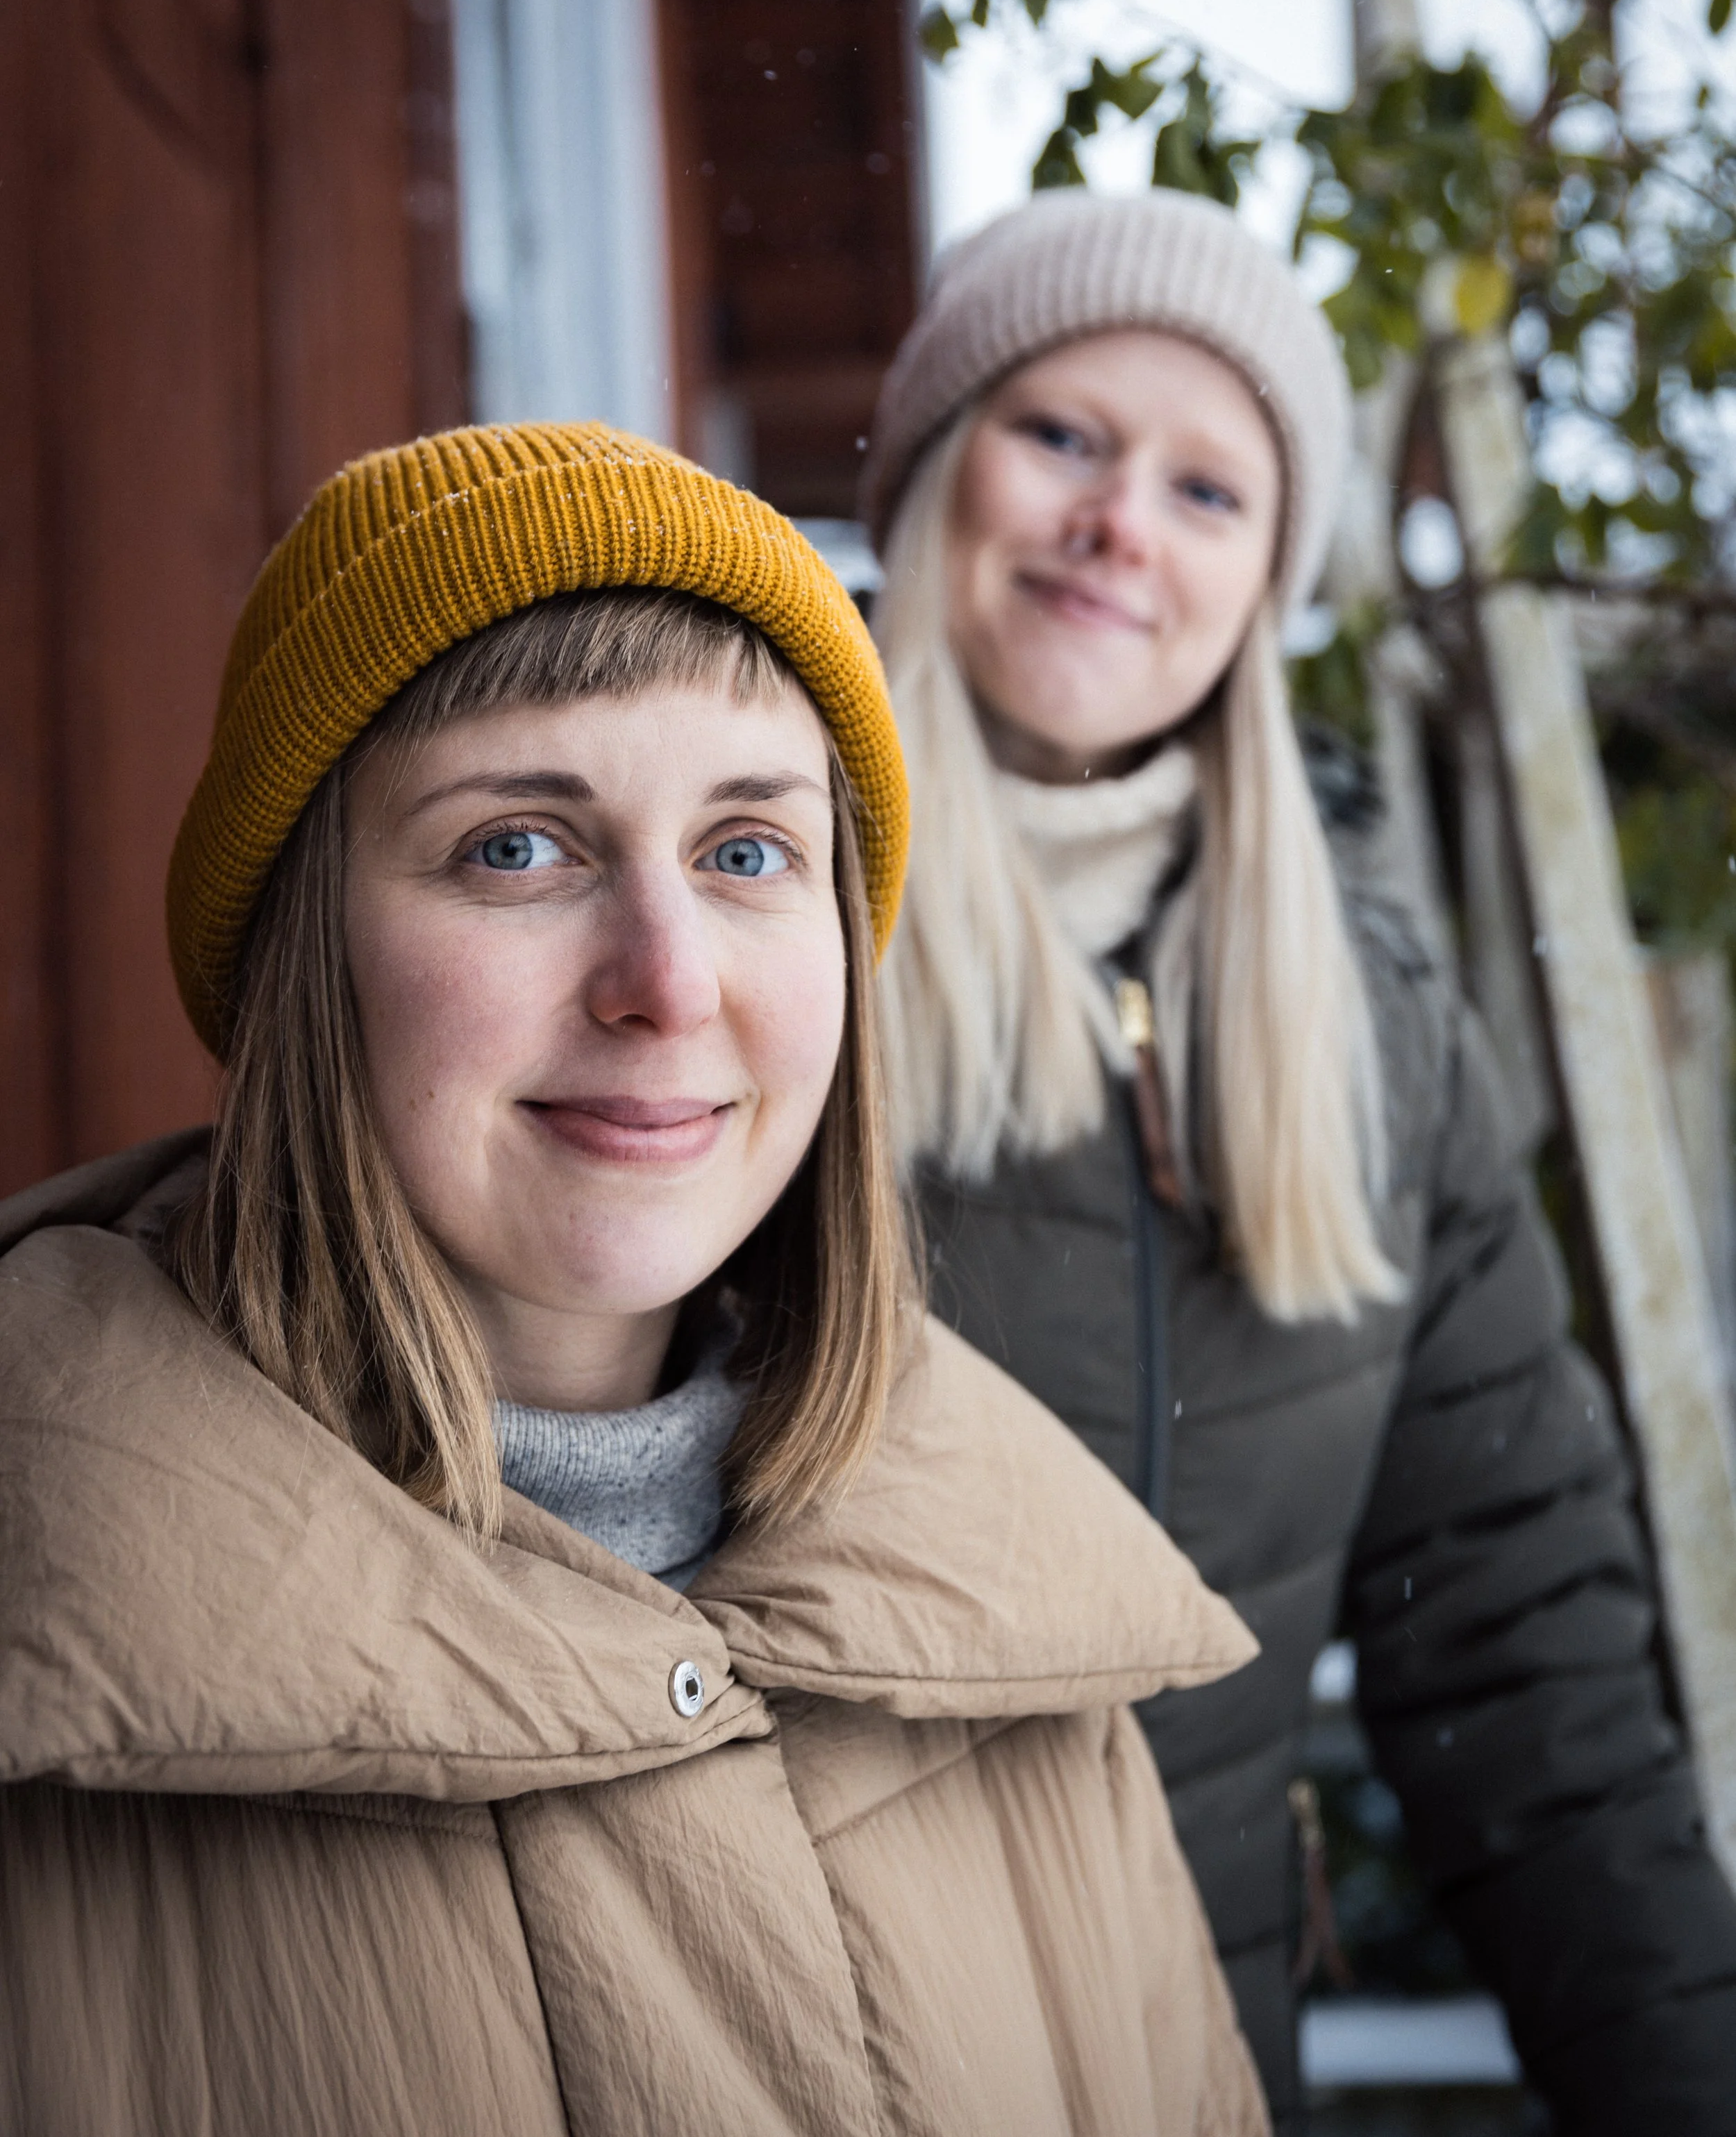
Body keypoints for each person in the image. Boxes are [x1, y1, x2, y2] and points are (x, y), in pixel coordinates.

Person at [0, 424, 1269, 2136]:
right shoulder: (44, 1649)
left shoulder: (1031, 1652)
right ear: (309, 946)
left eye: (748, 853)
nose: (665, 982)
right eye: (517, 846)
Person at [863, 190, 1736, 2136]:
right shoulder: (739, 938)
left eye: (1206, 490)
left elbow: (1519, 1659)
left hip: (1190, 2064)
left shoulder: (1370, 1026)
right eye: (1062, 436)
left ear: (1267, 580)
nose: (1118, 529)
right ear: (931, 473)